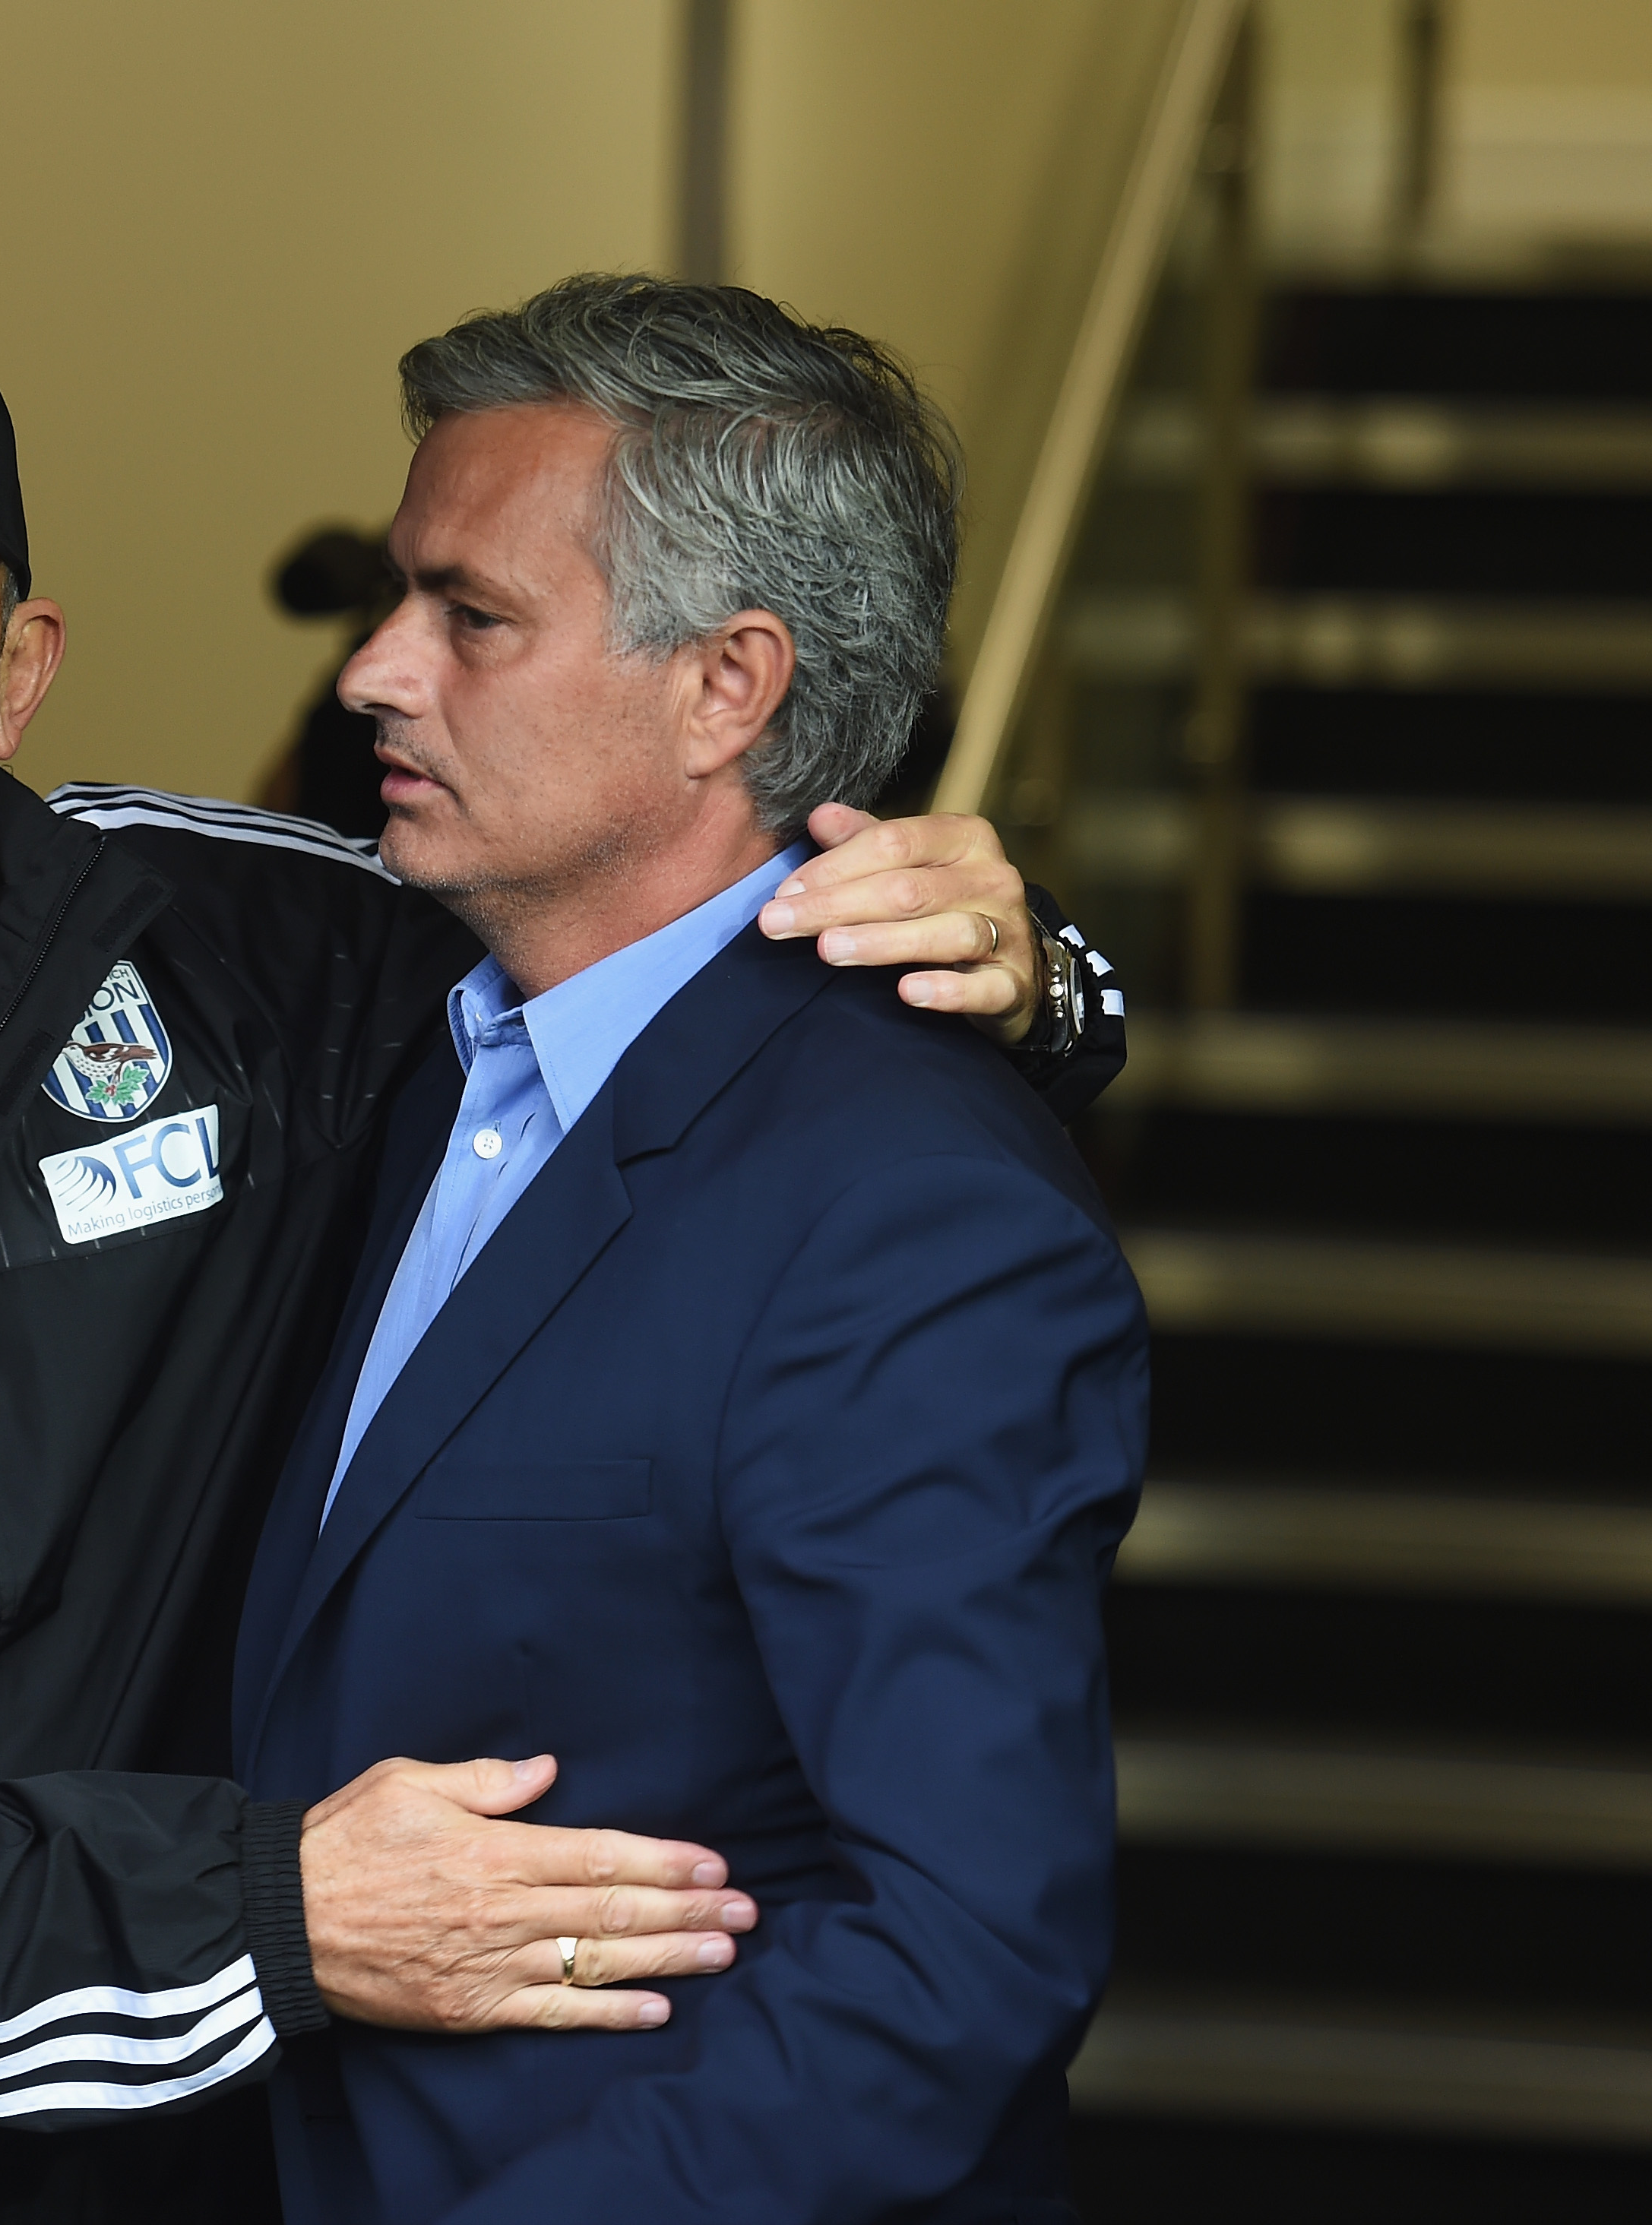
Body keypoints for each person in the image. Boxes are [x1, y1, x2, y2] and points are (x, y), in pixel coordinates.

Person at [0, 311, 1123, 2223]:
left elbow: (678, 968)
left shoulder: (240, 968)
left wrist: (1040, 976)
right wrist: (273, 1919)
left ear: (16, 673)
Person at [233, 277, 1144, 2224]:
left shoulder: (915, 1213)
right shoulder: (403, 1039)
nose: (371, 673)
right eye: (403, 598)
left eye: (469, 617)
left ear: (725, 686)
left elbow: (957, 1959)